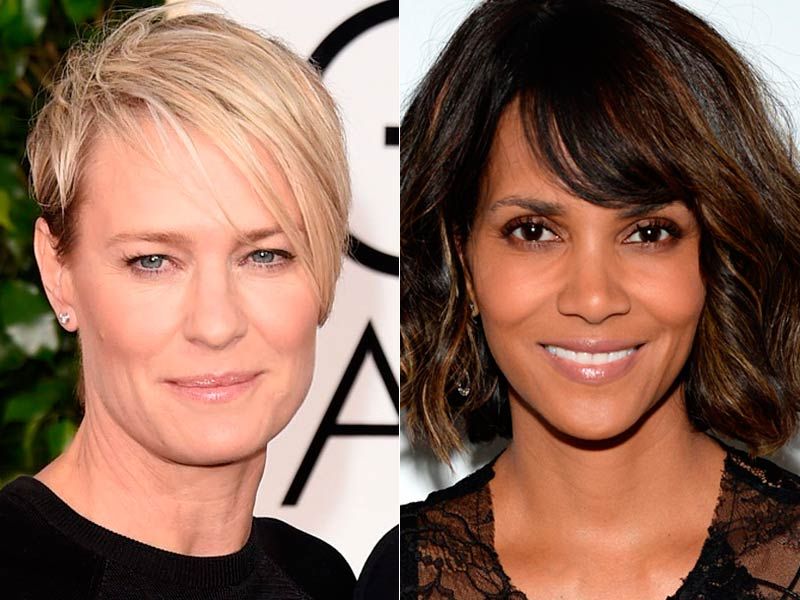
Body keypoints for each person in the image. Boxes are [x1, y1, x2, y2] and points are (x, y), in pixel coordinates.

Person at [400, 0, 800, 598]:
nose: (593, 298)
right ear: (462, 261)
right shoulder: (398, 576)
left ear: (718, 256)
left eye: (649, 232)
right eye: (534, 231)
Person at [0, 5, 355, 599]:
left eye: (264, 255)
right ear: (58, 272)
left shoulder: (322, 580)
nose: (215, 324)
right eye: (153, 261)